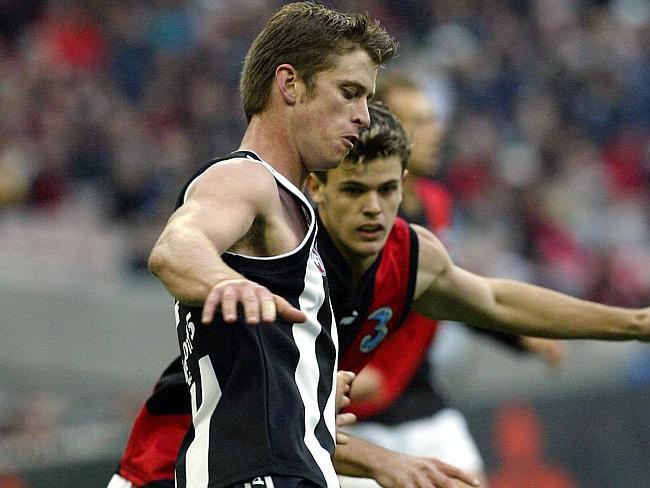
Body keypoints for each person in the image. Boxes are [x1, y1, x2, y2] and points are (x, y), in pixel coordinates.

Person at [111, 100, 650, 488]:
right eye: (354, 190)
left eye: (387, 190)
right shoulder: (283, 256)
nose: (374, 208)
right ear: (317, 189)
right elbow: (269, 411)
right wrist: (382, 461)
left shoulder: (409, 254)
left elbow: (496, 301)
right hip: (176, 464)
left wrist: (633, 324)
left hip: (293, 459)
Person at [108, 3, 399, 488]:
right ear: (289, 84)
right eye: (348, 93)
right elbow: (178, 245)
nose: (363, 117)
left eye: (366, 99)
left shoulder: (290, 203)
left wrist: (313, 390)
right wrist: (225, 282)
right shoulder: (245, 179)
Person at [338, 73, 565, 488]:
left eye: (433, 119)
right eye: (419, 122)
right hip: (353, 424)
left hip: (422, 402)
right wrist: (330, 374)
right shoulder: (350, 224)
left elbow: (448, 293)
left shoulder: (437, 205)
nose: (435, 132)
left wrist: (516, 336)